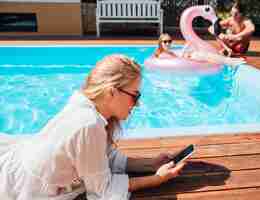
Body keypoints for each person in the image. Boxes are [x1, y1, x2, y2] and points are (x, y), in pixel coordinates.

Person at [0, 55, 185, 200]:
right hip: (23, 187)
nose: (137, 104)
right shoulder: (88, 124)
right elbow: (102, 191)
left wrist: (150, 163)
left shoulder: (84, 104)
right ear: (112, 92)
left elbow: (101, 158)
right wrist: (156, 180)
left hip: (21, 162)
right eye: (135, 96)